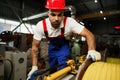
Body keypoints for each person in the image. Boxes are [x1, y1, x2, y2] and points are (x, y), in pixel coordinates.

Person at [27, 0, 101, 79]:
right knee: (52, 68)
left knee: (63, 69)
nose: (56, 19)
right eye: (53, 14)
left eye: (60, 15)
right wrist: (34, 67)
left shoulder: (70, 22)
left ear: (63, 13)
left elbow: (89, 35)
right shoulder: (41, 26)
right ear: (48, 13)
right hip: (52, 47)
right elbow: (35, 47)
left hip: (63, 47)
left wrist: (91, 50)